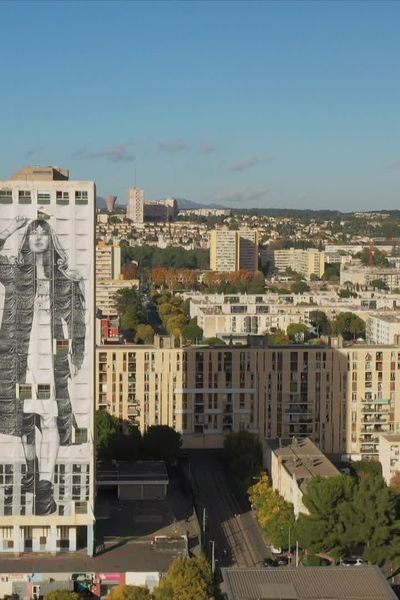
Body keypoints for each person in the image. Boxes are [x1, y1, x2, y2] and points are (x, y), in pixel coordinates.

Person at [0, 216, 85, 515]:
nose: (37, 237)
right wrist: (9, 229)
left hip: (49, 357)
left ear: (51, 240)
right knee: (24, 420)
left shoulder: (63, 276)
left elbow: (77, 318)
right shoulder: (15, 271)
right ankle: (32, 469)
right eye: (32, 233)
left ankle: (45, 489)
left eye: (43, 233)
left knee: (49, 419)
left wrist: (76, 355)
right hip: (20, 355)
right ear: (26, 239)